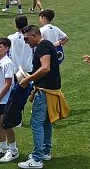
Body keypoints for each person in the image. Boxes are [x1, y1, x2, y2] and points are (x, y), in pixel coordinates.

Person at [17, 25, 66, 168]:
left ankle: (37, 159)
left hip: (45, 91)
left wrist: (28, 79)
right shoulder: (48, 44)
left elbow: (45, 68)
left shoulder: (42, 47)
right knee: (46, 122)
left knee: (36, 123)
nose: (25, 41)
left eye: (26, 38)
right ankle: (45, 151)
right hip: (50, 90)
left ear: (34, 35)